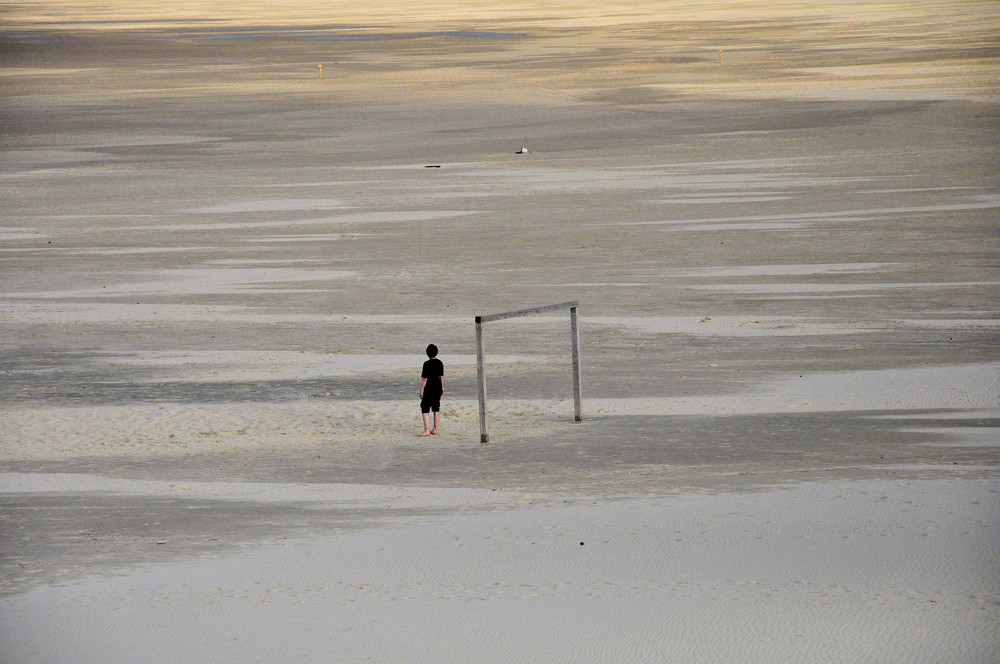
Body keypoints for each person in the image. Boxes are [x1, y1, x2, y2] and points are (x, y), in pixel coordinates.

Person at [419, 344, 444, 436]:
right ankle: (435, 429)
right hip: (438, 387)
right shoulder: (440, 363)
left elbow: (425, 378)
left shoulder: (426, 364)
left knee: (425, 408)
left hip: (429, 387)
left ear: (427, 353)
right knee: (436, 408)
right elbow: (442, 376)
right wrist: (442, 387)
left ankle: (427, 430)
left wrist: (422, 389)